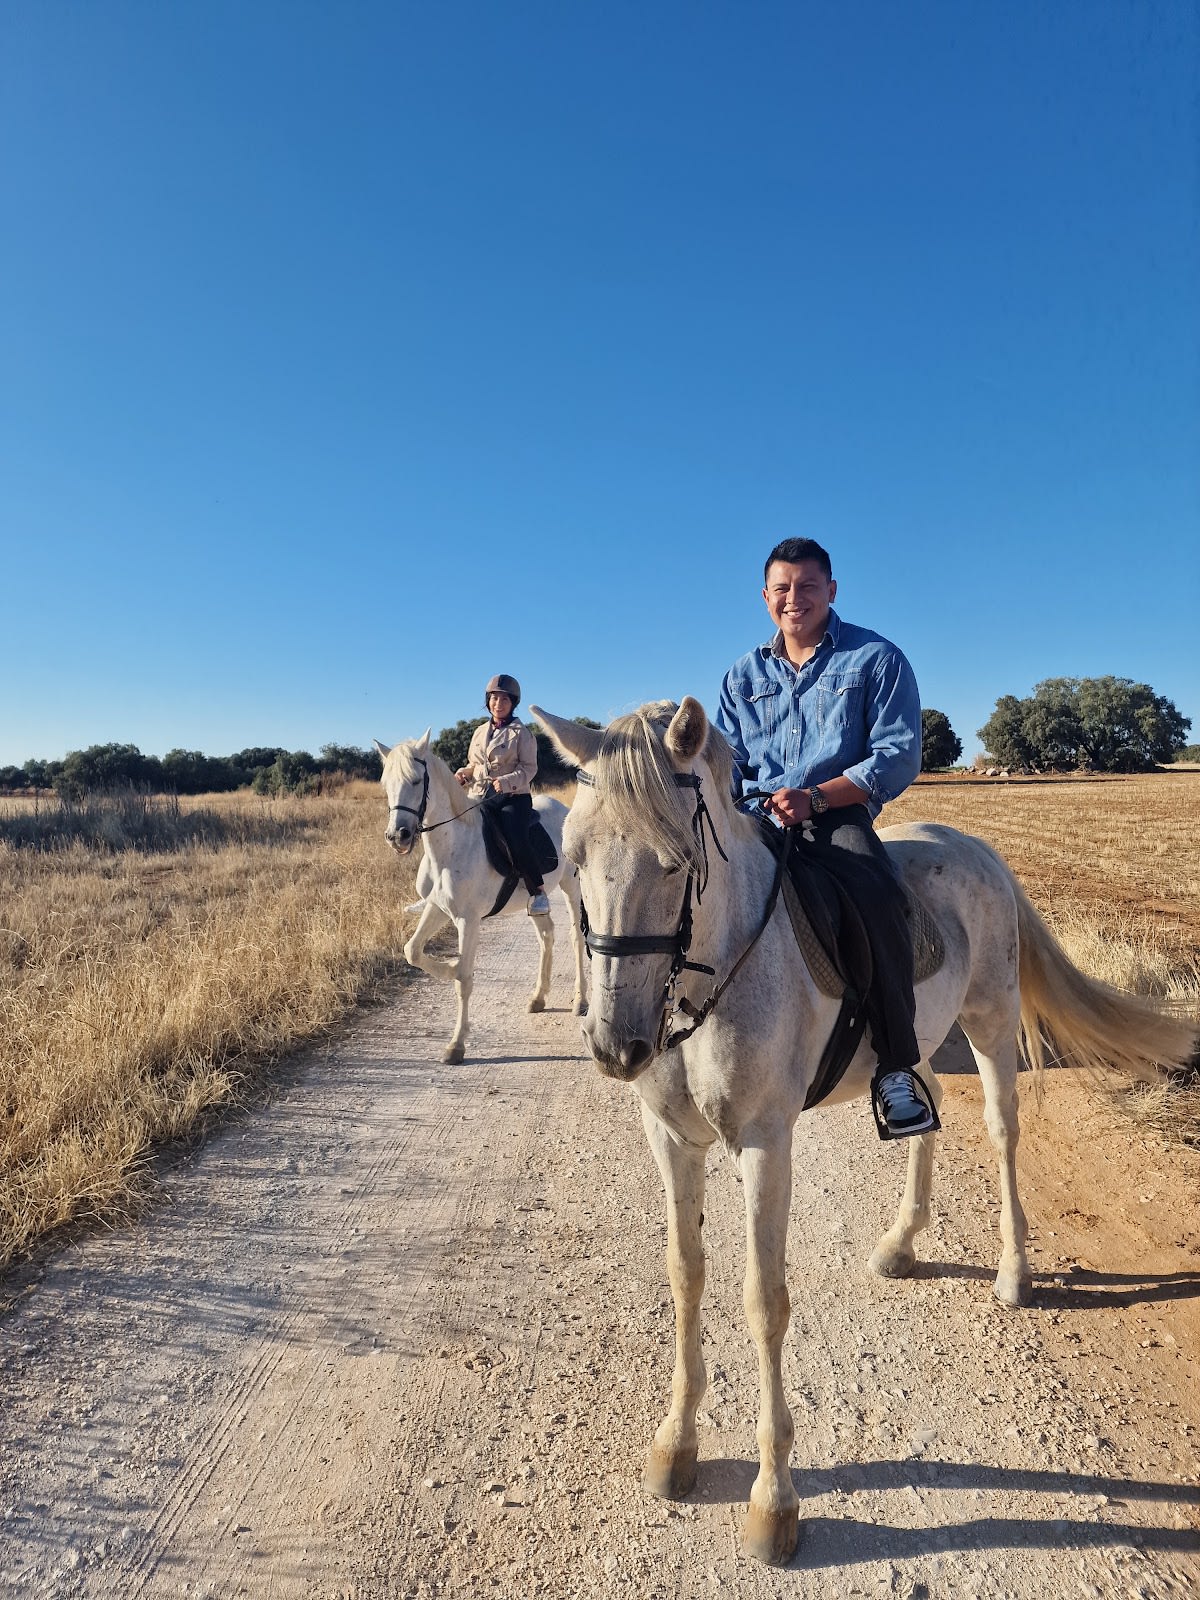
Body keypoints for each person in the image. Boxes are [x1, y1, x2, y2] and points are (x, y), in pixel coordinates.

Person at [715, 536, 933, 1138]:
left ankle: (895, 1067)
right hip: (756, 819)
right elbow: (727, 762)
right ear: (765, 598)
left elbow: (896, 755)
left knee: (880, 898)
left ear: (831, 591)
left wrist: (816, 796)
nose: (795, 599)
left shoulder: (875, 659)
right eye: (782, 589)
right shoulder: (741, 676)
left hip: (834, 816)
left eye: (808, 587)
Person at [456, 674, 551, 916]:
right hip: (482, 794)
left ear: (513, 703)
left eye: (504, 699)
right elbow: (474, 762)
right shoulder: (479, 732)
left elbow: (530, 768)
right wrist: (464, 774)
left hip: (514, 797)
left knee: (515, 834)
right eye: (494, 698)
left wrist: (507, 782)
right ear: (488, 701)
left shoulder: (522, 734)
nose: (498, 704)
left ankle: (537, 891)